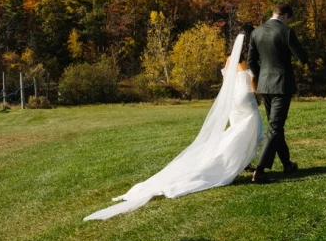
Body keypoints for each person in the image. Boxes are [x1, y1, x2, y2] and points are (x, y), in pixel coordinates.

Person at [84, 25, 263, 220]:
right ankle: (236, 163)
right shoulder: (247, 60)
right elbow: (252, 81)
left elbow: (226, 82)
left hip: (233, 101)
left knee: (238, 131)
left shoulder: (230, 59)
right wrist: (259, 94)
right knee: (251, 130)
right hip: (245, 97)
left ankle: (242, 162)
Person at [247, 2, 308, 184]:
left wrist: (262, 77)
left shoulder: (256, 32)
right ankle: (260, 171)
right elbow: (302, 58)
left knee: (276, 126)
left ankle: (287, 163)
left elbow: (251, 61)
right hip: (281, 85)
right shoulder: (286, 32)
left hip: (264, 86)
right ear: (286, 16)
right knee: (274, 127)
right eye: (289, 19)